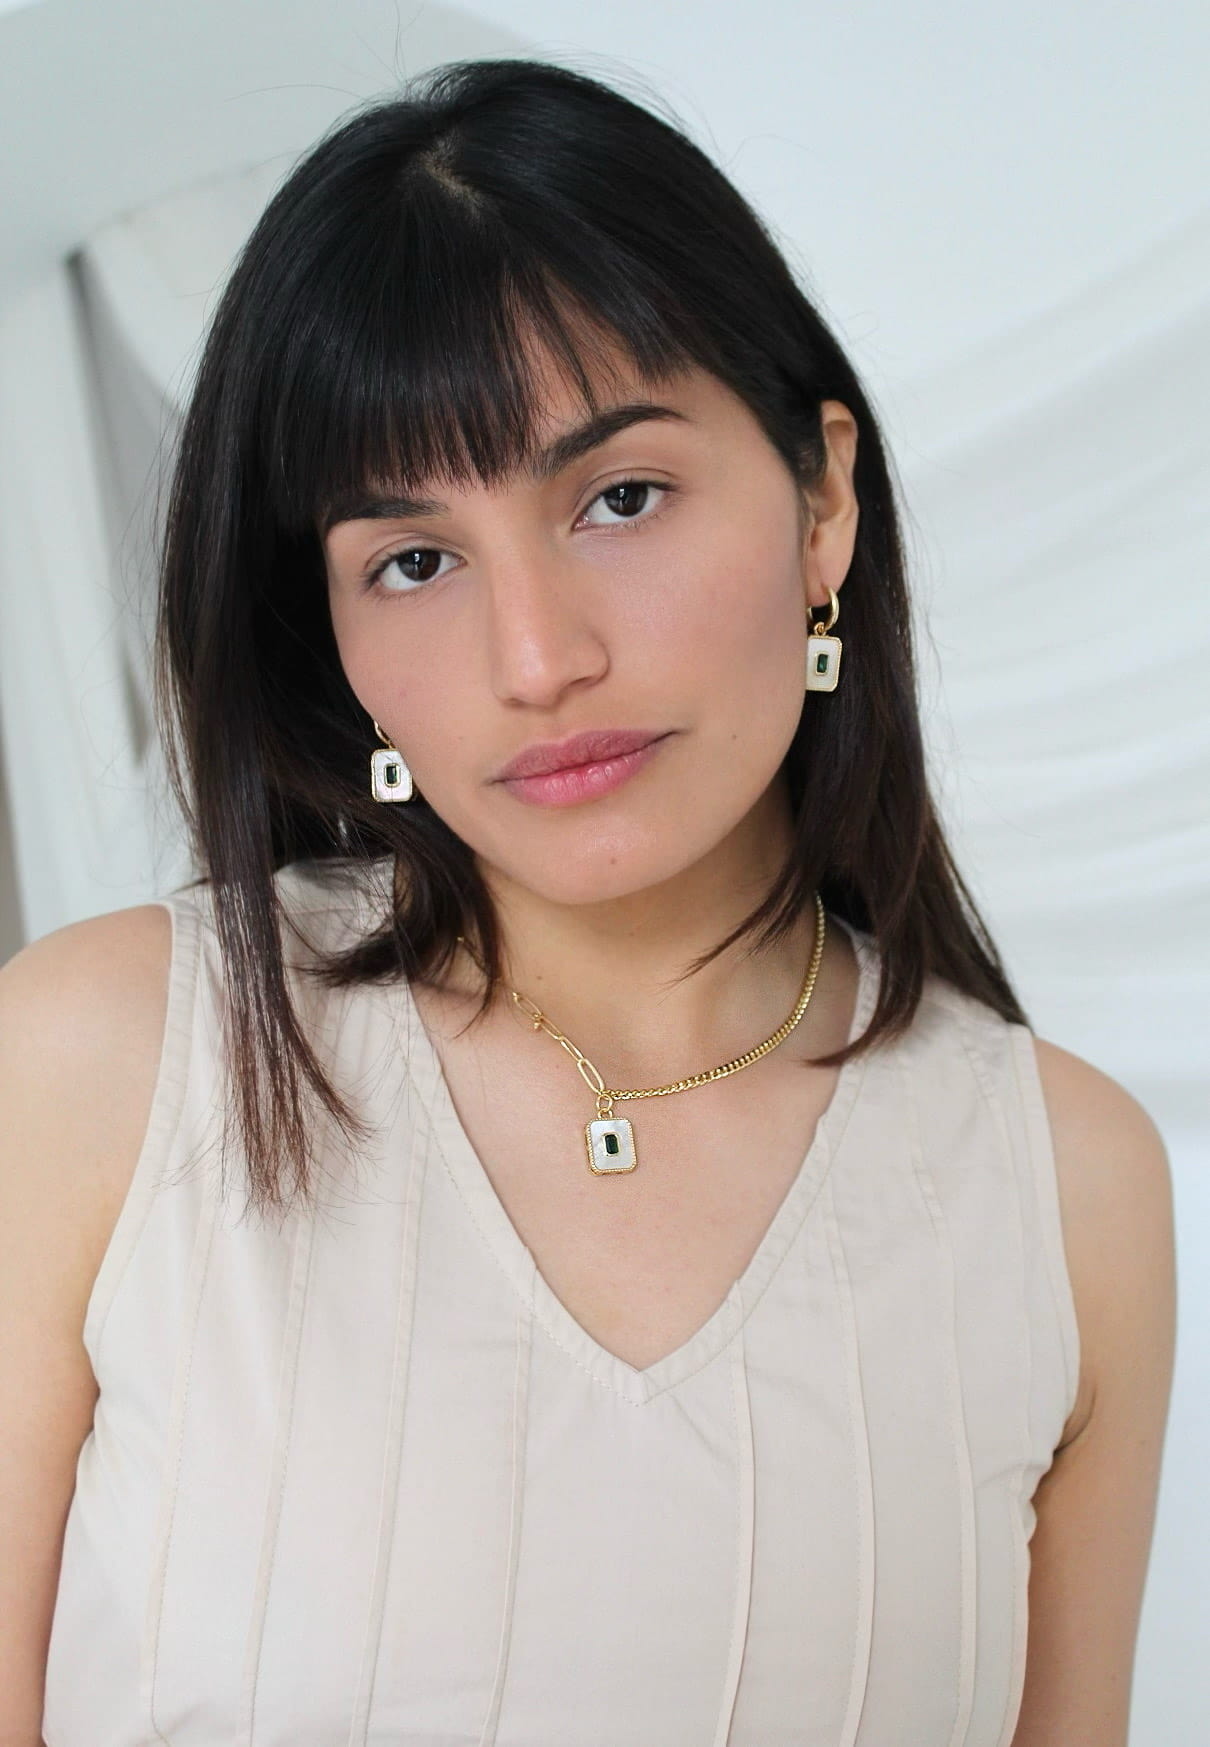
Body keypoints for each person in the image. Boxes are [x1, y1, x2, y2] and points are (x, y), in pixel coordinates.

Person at [0, 57, 1175, 1747]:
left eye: (619, 498)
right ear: (330, 635)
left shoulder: (1067, 1187)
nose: (537, 657)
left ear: (822, 499)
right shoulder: (102, 1062)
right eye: (413, 560)